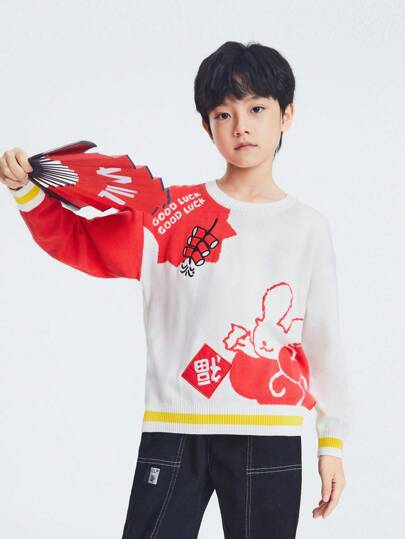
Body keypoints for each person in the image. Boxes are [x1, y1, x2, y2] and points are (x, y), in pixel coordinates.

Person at [0, 40, 350, 538]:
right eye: (223, 114)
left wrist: (331, 442)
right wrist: (26, 190)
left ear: (286, 115)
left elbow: (323, 339)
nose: (241, 126)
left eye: (256, 109)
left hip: (268, 431)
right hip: (175, 425)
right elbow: (79, 241)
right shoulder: (169, 213)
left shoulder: (307, 227)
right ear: (207, 126)